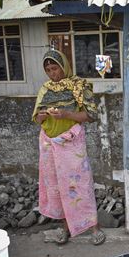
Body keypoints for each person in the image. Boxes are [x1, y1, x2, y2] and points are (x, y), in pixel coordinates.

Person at [32, 49, 105, 245]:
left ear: (64, 66)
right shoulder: (45, 89)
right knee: (58, 187)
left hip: (71, 143)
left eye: (55, 68)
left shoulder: (79, 86)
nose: (52, 73)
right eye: (48, 69)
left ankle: (94, 227)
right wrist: (44, 115)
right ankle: (66, 228)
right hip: (49, 144)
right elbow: (37, 118)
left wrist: (66, 115)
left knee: (80, 185)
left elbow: (90, 115)